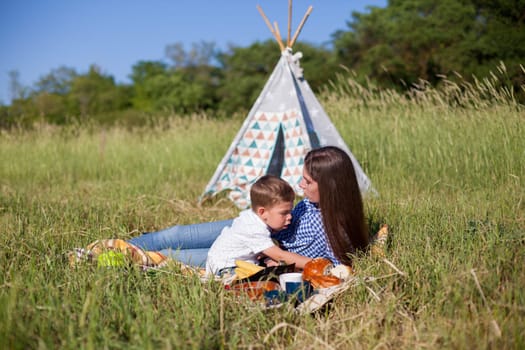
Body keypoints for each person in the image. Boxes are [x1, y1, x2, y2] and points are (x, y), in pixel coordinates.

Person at [129, 146, 369, 267]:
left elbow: (327, 267)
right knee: (178, 233)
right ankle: (123, 245)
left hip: (258, 252)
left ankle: (119, 257)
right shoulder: (311, 202)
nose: (300, 185)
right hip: (253, 229)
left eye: (307, 181)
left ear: (330, 186)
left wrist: (276, 262)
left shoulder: (338, 229)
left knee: (175, 257)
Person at [205, 174, 311, 276]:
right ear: (262, 212)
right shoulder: (254, 228)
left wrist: (268, 259)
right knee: (262, 281)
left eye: (290, 211)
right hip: (225, 267)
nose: (290, 217)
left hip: (230, 261)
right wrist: (314, 264)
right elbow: (280, 255)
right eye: (284, 213)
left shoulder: (255, 218)